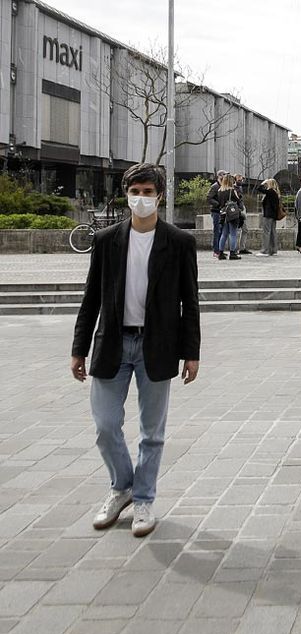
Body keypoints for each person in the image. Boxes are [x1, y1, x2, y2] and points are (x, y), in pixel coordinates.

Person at [71, 162, 200, 538]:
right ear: (126, 194)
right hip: (112, 341)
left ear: (159, 195)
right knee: (105, 425)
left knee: (151, 432)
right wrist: (79, 348)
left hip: (156, 345)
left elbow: (189, 302)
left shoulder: (179, 242)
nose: (141, 199)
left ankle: (143, 498)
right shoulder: (107, 240)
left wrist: (191, 352)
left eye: (148, 192)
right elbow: (91, 296)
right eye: (135, 192)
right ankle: (122, 486)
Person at [215, 174, 242, 260]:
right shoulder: (232, 190)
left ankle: (221, 253)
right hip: (232, 214)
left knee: (224, 234)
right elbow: (238, 201)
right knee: (233, 233)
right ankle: (232, 253)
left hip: (223, 213)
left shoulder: (219, 191)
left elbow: (219, 203)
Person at [255, 178, 282, 256]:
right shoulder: (275, 193)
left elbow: (259, 189)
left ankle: (265, 250)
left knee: (266, 232)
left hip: (268, 215)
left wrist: (263, 182)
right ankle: (273, 250)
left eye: (267, 183)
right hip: (273, 215)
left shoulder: (270, 191)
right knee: (273, 232)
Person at [206, 169, 227, 257]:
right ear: (219, 176)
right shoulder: (215, 186)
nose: (225, 177)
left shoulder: (223, 186)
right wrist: (218, 204)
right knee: (217, 231)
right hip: (216, 211)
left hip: (222, 211)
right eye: (223, 175)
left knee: (222, 231)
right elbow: (209, 198)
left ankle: (220, 249)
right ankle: (216, 250)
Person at [234, 174, 252, 255]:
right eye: (239, 180)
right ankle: (234, 249)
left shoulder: (240, 187)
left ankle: (242, 248)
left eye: (241, 180)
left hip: (242, 209)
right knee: (235, 230)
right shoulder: (233, 188)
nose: (241, 182)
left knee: (245, 229)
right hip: (236, 210)